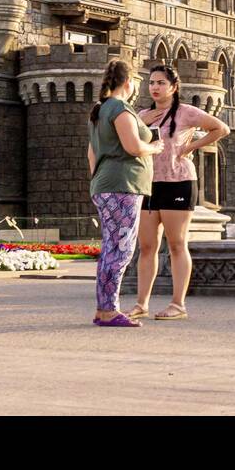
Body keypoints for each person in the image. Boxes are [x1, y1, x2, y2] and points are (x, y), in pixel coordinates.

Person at [129, 64, 229, 321]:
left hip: (178, 182)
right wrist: (140, 122)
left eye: (161, 83)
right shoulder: (142, 115)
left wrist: (191, 146)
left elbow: (221, 129)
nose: (155, 87)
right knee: (147, 246)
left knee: (176, 244)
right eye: (151, 82)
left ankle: (178, 304)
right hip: (149, 184)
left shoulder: (186, 113)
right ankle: (141, 304)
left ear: (173, 87)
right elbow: (130, 144)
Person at [86, 59, 163, 328]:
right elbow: (132, 146)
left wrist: (98, 180)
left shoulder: (99, 110)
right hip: (123, 186)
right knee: (121, 249)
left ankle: (103, 309)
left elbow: (92, 153)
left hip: (106, 184)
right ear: (129, 83)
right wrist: (154, 147)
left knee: (111, 248)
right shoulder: (119, 108)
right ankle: (108, 311)